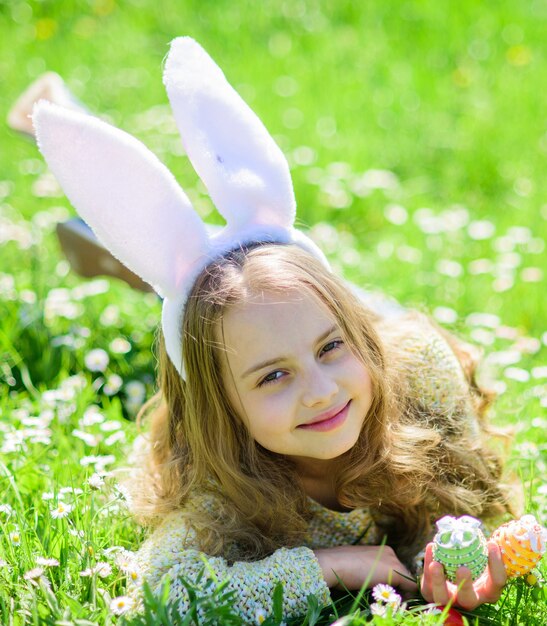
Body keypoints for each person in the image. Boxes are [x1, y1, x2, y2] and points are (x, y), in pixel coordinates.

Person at [31, 37, 515, 623]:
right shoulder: (219, 480)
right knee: (193, 284)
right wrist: (330, 565)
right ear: (225, 408)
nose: (319, 391)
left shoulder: (419, 370)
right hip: (256, 312)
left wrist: (457, 567)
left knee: (242, 282)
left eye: (332, 349)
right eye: (273, 377)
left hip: (338, 309)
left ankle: (102, 192)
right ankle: (71, 139)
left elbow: (474, 513)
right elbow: (160, 596)